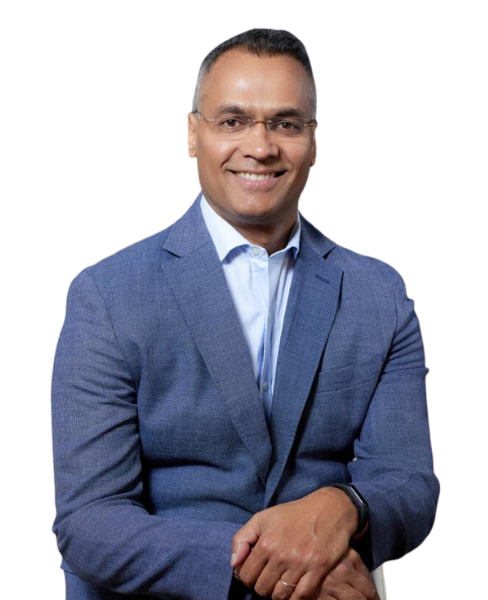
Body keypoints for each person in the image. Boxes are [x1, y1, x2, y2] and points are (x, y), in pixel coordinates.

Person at [50, 27, 439, 600]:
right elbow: (89, 522)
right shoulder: (106, 294)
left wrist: (346, 506)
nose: (261, 147)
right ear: (193, 134)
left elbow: (410, 486)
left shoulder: (379, 293)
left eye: (286, 123)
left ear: (313, 140)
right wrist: (275, 572)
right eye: (233, 121)